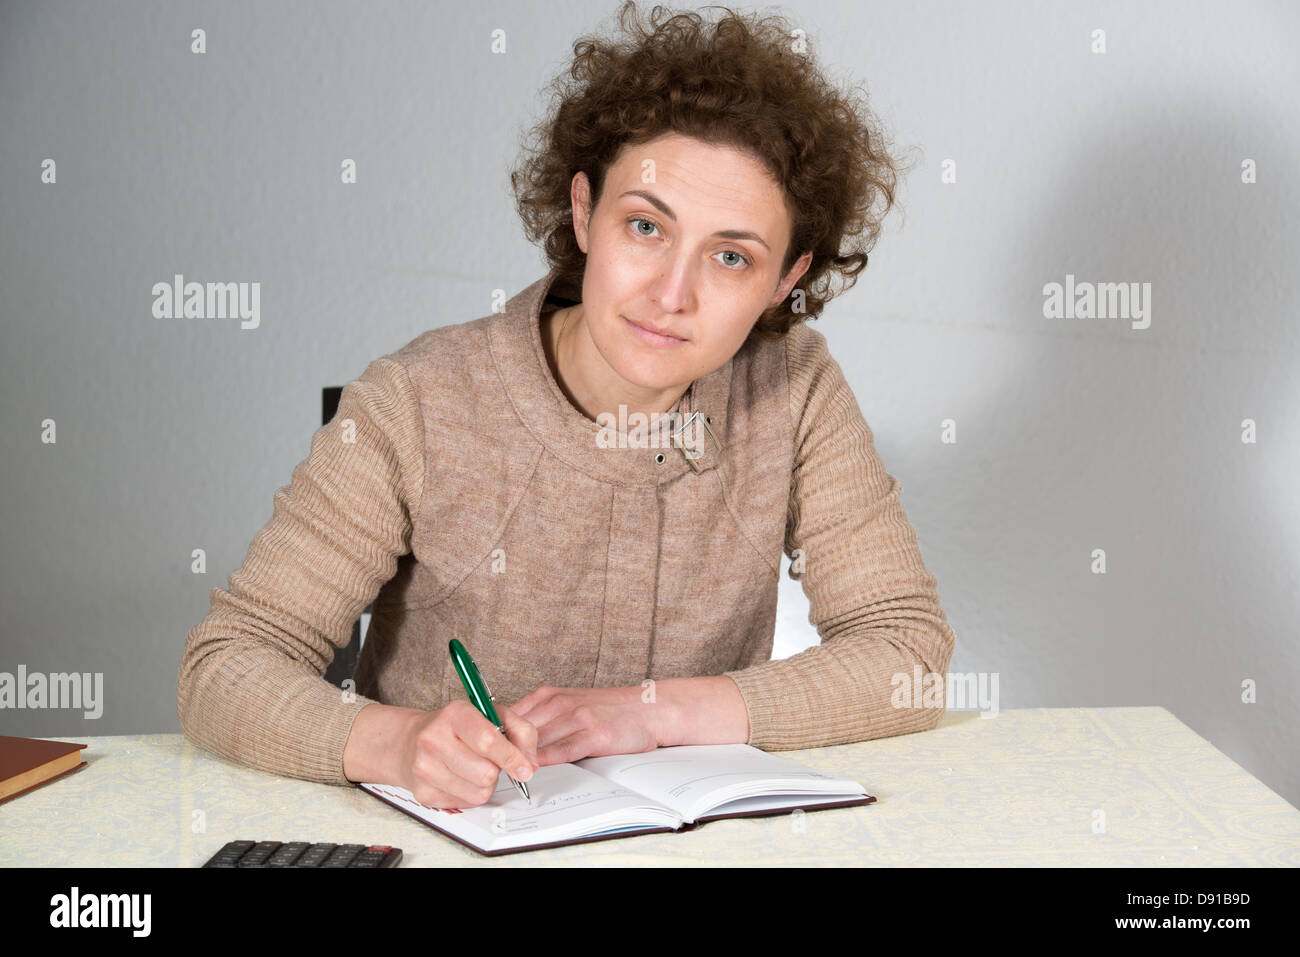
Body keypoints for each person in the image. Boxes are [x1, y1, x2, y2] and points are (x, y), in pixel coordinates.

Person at [176, 1, 955, 811]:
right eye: (646, 227)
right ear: (585, 212)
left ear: (785, 281)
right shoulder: (413, 402)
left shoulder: (795, 388)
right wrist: (397, 742)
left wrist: (657, 713)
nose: (671, 294)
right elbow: (226, 664)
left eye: (730, 256)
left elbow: (907, 654)